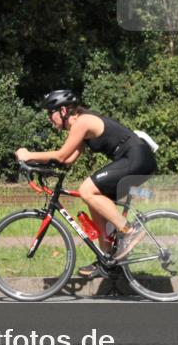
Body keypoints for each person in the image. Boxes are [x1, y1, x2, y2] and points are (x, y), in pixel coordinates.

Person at [15, 89, 157, 277]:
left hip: (136, 157)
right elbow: (66, 161)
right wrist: (34, 165)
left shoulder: (82, 122)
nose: (50, 119)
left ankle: (130, 231)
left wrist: (28, 155)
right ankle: (106, 259)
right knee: (94, 200)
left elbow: (61, 154)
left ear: (63, 111)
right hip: (134, 159)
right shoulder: (81, 126)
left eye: (51, 113)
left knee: (86, 190)